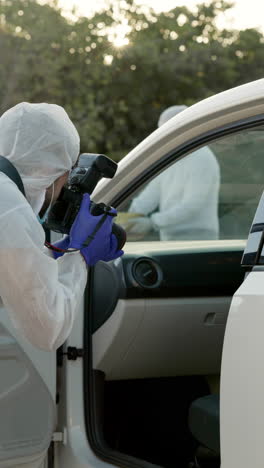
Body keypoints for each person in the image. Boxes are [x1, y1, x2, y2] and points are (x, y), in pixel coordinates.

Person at [0, 102, 123, 351]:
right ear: (49, 169)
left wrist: (51, 253)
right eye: (68, 172)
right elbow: (46, 330)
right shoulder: (11, 210)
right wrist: (80, 254)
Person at [128, 105, 220, 241]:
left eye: (168, 132)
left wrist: (153, 222)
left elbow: (193, 205)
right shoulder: (173, 157)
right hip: (170, 237)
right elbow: (152, 193)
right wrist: (132, 215)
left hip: (198, 238)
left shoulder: (202, 158)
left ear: (183, 128)